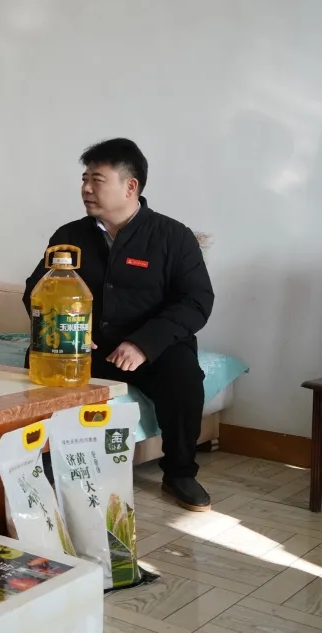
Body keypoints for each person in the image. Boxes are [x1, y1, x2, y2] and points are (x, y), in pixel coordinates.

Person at [24, 138, 214, 511]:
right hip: (85, 345)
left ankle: (180, 473)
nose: (86, 188)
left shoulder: (172, 237)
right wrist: (67, 330)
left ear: (130, 187)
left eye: (97, 180)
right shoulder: (70, 236)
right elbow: (37, 290)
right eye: (84, 179)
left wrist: (143, 344)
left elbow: (196, 302)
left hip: (151, 347)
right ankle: (40, 463)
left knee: (184, 377)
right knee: (37, 364)